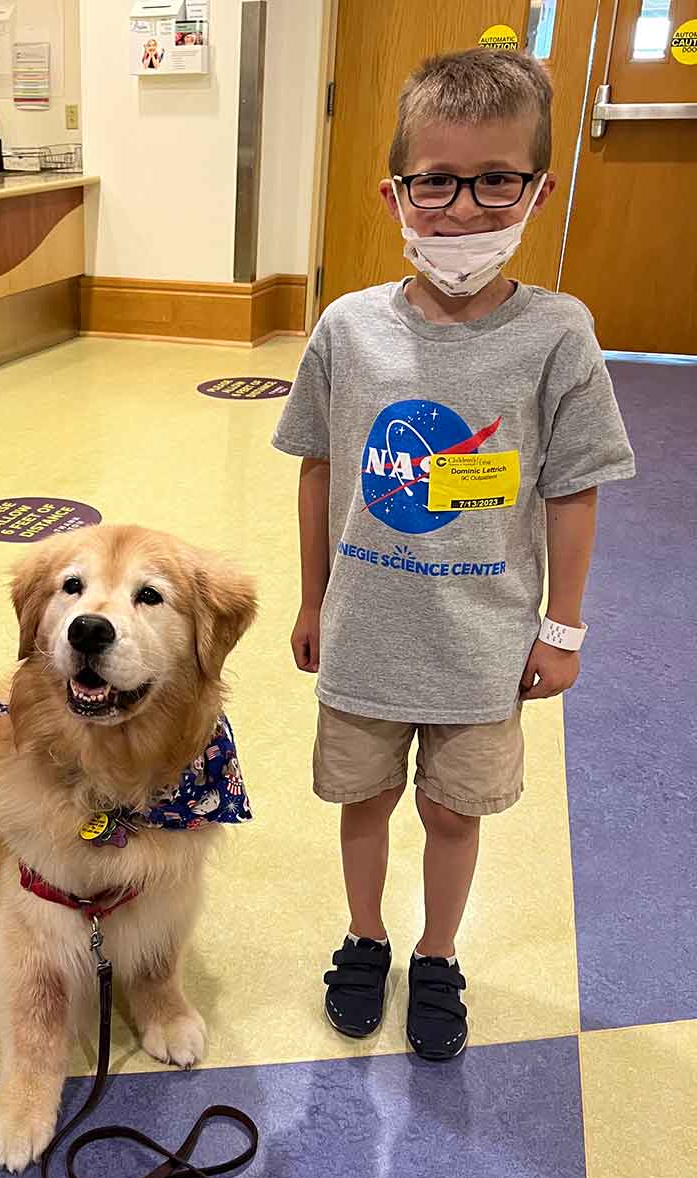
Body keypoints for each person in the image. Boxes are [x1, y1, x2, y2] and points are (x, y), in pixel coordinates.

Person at [272, 50, 635, 1061]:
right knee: (364, 797)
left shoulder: (560, 337)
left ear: (539, 188)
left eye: (496, 181)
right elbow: (315, 469)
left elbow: (573, 487)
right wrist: (313, 599)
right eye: (436, 180)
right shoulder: (347, 328)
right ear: (396, 190)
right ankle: (366, 935)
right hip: (364, 633)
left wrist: (563, 627)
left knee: (455, 809)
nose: (465, 209)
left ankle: (436, 951)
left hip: (484, 645)